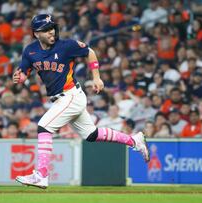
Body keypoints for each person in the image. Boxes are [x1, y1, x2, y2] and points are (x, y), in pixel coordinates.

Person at [12, 14, 149, 189]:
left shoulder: (66, 46)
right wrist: (19, 77)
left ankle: (42, 175)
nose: (51, 31)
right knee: (91, 134)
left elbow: (90, 52)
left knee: (44, 126)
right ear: (36, 33)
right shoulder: (30, 51)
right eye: (46, 29)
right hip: (61, 99)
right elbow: (23, 72)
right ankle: (134, 140)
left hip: (71, 95)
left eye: (52, 27)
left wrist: (97, 78)